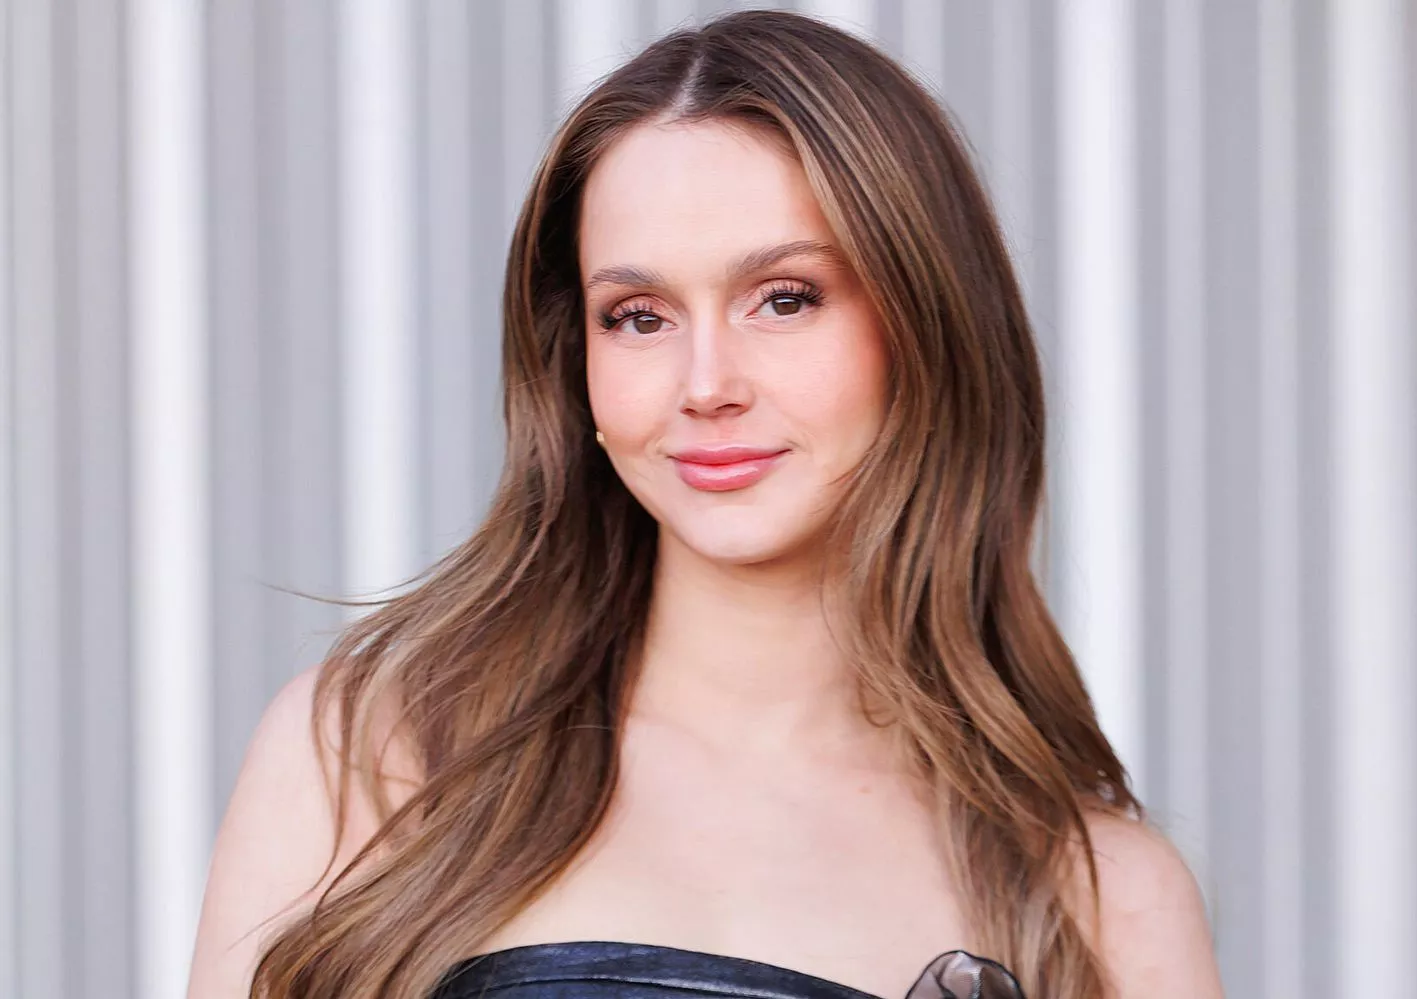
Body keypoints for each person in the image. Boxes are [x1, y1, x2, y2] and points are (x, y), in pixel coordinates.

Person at [186, 10, 1223, 999]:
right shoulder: (377, 753)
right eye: (639, 316)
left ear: (926, 327)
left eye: (785, 299)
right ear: (576, 361)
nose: (706, 383)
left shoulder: (1104, 900)